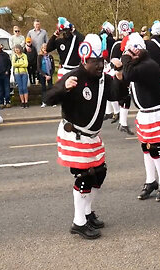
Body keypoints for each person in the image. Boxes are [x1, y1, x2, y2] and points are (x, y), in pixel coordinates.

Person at [45, 34, 128, 240]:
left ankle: (87, 213)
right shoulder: (74, 76)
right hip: (75, 135)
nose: (100, 65)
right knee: (84, 176)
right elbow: (48, 98)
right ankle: (78, 222)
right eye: (95, 61)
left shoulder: (104, 79)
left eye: (102, 60)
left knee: (99, 173)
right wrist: (64, 89)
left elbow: (118, 95)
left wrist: (119, 74)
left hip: (92, 137)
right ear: (84, 60)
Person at [114, 33, 160, 201]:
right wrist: (118, 70)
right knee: (146, 149)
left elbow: (130, 74)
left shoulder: (149, 65)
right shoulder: (139, 65)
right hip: (146, 113)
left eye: (129, 52)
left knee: (155, 149)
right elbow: (125, 79)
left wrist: (124, 58)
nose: (127, 56)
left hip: (156, 112)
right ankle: (150, 180)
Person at [109, 20, 135, 134]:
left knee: (125, 97)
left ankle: (122, 121)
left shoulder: (121, 43)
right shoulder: (118, 45)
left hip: (127, 72)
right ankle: (121, 121)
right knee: (124, 97)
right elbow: (112, 61)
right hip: (121, 73)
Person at [37, 43, 54, 107]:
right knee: (43, 88)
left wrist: (50, 75)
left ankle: (52, 101)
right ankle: (44, 102)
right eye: (44, 48)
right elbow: (38, 67)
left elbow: (53, 67)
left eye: (46, 48)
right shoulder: (39, 56)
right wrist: (45, 75)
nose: (45, 49)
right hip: (43, 74)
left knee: (50, 87)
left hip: (49, 73)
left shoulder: (50, 56)